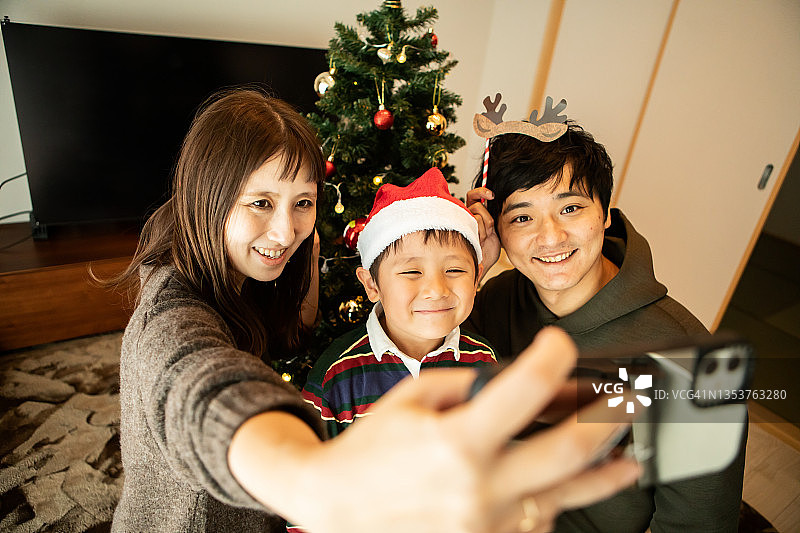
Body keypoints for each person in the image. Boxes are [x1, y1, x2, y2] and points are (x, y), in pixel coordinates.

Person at [107, 87, 641, 533]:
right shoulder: (170, 319)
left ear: (607, 211)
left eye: (303, 203)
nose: (285, 231)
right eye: (260, 202)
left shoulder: (501, 307)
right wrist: (307, 477)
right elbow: (196, 384)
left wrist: (470, 264)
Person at [466, 113, 745, 532]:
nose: (551, 237)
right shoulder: (496, 298)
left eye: (571, 208)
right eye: (522, 217)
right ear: (498, 231)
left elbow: (698, 523)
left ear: (606, 213)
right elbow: (419, 375)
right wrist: (470, 271)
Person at [302, 167, 497, 439]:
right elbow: (311, 469)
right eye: (411, 272)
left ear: (477, 276)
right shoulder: (337, 374)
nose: (436, 290)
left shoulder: (485, 362)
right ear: (372, 285)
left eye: (454, 270)